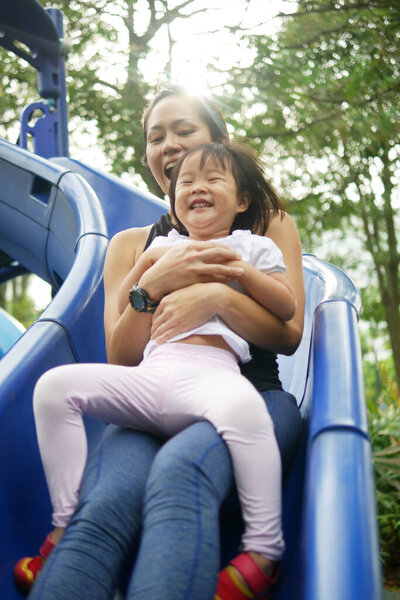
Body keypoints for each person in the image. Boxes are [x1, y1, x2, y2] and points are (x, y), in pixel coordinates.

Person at [16, 85, 305, 600]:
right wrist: (151, 286)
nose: (169, 144)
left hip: (249, 394)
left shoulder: (264, 227)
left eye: (184, 131)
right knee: (104, 504)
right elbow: (121, 354)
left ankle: (263, 550)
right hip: (151, 395)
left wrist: (219, 296)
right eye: (156, 136)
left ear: (219, 142)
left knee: (178, 476)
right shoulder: (131, 245)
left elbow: (289, 334)